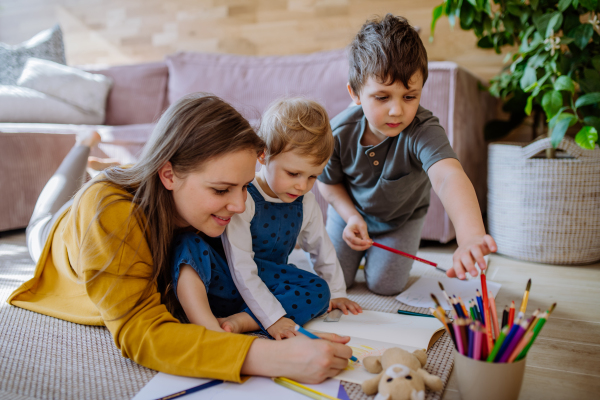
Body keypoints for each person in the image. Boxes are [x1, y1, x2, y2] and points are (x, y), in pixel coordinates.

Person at [8, 93, 353, 384]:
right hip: (56, 238)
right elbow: (140, 332)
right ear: (169, 174)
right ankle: (83, 145)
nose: (240, 205)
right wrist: (271, 357)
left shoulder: (201, 208)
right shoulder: (111, 215)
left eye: (245, 186)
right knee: (49, 209)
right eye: (221, 189)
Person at [316, 15, 497, 296]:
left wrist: (470, 236)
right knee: (334, 281)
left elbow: (448, 177)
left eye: (409, 96)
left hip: (402, 220)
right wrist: (350, 217)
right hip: (349, 215)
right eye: (382, 97)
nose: (397, 111)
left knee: (385, 285)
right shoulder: (338, 132)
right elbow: (328, 183)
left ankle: (377, 262)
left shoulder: (423, 129)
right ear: (355, 93)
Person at [172, 98, 362, 340]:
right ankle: (203, 319)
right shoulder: (244, 197)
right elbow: (240, 265)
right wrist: (271, 318)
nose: (302, 185)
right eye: (293, 173)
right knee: (188, 245)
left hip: (270, 282)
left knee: (318, 291)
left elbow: (321, 249)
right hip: (225, 277)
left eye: (313, 176)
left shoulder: (306, 203)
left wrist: (336, 292)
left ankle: (243, 321)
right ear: (263, 156)